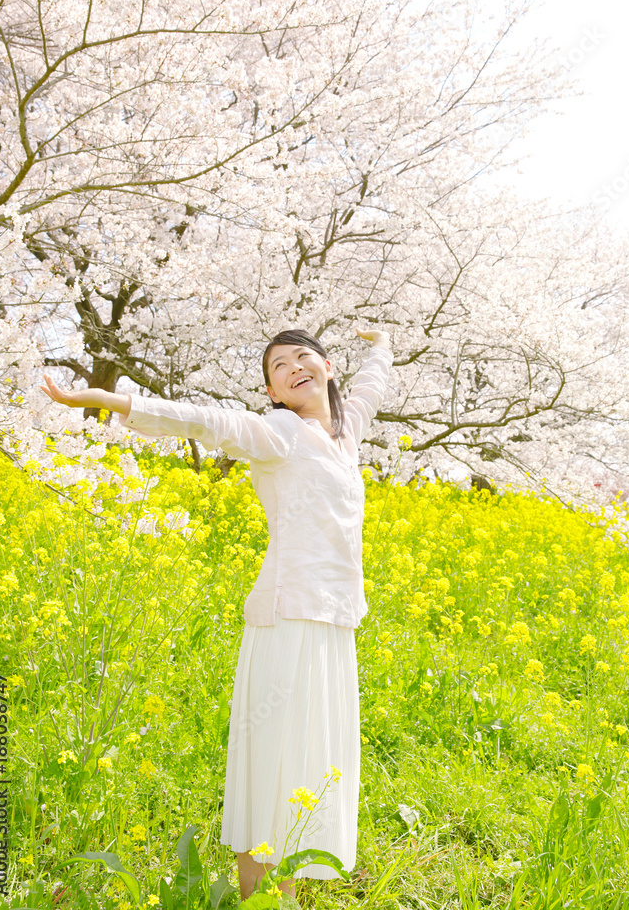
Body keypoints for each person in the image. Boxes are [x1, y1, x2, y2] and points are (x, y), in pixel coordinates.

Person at [40, 325, 394, 901]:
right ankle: (251, 898)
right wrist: (112, 401)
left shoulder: (346, 435)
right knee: (271, 760)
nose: (293, 367)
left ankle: (284, 897)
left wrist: (382, 346)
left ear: (329, 367)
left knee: (310, 761)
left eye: (304, 357)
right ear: (274, 393)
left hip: (335, 621)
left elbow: (373, 388)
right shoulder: (281, 432)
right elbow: (210, 421)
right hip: (287, 617)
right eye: (279, 366)